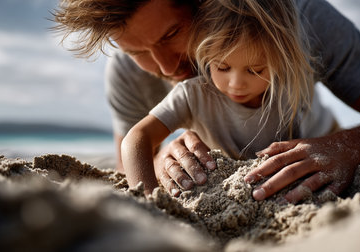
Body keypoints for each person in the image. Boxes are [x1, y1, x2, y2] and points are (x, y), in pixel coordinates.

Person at [52, 0, 360, 203]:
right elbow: (129, 153)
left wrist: (344, 149)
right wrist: (160, 158)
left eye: (171, 33)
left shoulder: (298, 20)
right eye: (136, 51)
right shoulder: (127, 70)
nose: (166, 66)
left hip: (314, 135)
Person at [120, 0, 339, 195]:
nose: (236, 84)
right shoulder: (193, 94)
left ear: (279, 62)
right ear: (204, 55)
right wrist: (149, 200)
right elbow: (136, 138)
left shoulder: (288, 86)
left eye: (255, 70)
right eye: (222, 67)